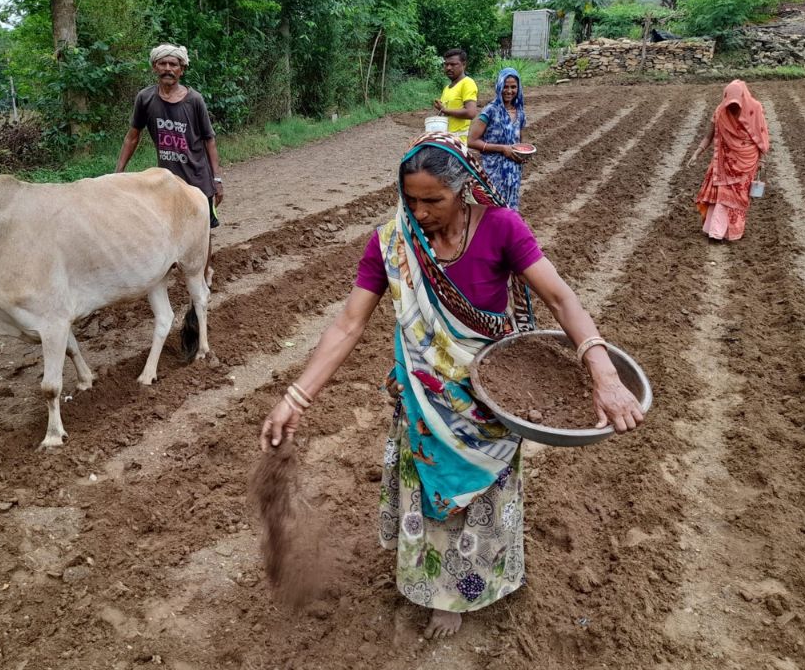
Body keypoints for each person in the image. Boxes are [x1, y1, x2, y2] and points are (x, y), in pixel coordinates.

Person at [258, 133, 644, 640]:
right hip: (423, 400)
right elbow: (348, 325)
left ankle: (468, 587)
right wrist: (295, 398)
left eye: (433, 200)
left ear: (462, 190)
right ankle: (436, 589)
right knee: (432, 495)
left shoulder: (501, 228)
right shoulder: (392, 243)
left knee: (479, 497)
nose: (419, 212)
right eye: (410, 200)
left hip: (488, 399)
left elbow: (560, 297)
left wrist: (604, 372)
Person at [116, 43, 223, 281]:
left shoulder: (194, 100)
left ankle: (204, 278)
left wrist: (217, 180)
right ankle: (166, 276)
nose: (168, 68)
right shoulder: (145, 99)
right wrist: (118, 172)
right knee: (165, 232)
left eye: (173, 64)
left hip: (197, 180)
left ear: (181, 69)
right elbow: (133, 136)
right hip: (165, 184)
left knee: (202, 234)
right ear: (155, 67)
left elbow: (209, 140)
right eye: (162, 64)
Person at [688, 80, 770, 242]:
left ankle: (722, 231)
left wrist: (763, 160)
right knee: (722, 195)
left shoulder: (754, 108)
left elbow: (760, 136)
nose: (732, 108)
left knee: (737, 195)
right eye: (730, 104)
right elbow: (708, 136)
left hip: (746, 160)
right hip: (724, 161)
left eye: (736, 104)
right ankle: (716, 231)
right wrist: (696, 153)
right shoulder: (720, 111)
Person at [467, 68, 527, 210]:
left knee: (510, 210)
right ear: (499, 86)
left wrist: (522, 155)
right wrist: (502, 148)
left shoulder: (520, 113)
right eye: (505, 86)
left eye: (513, 87)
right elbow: (471, 141)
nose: (509, 91)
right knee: (494, 209)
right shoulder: (490, 110)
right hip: (494, 173)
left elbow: (518, 142)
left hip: (513, 173)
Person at [433, 49, 478, 142]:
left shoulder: (467, 83)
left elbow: (471, 112)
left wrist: (444, 110)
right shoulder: (447, 88)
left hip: (458, 143)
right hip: (446, 140)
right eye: (446, 64)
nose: (448, 68)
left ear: (464, 65)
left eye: (453, 64)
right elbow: (446, 115)